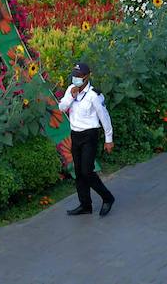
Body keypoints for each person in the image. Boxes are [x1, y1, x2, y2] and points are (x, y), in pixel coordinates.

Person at [59, 62, 115, 217]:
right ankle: (85, 205)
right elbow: (62, 107)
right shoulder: (71, 89)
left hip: (89, 135)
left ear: (87, 77)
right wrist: (71, 96)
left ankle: (108, 198)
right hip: (75, 135)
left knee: (87, 171)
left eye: (79, 76)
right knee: (78, 172)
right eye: (74, 75)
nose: (76, 78)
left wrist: (108, 139)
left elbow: (104, 117)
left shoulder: (94, 95)